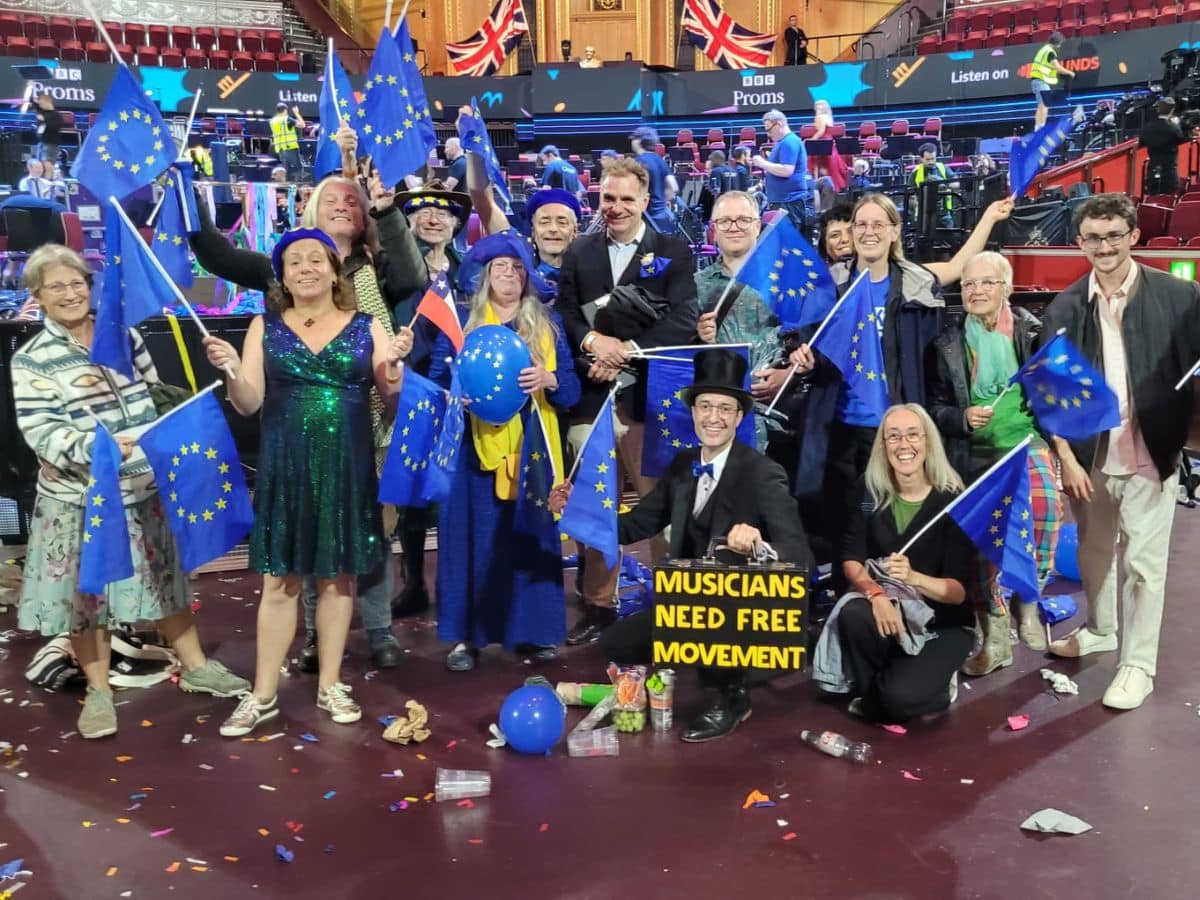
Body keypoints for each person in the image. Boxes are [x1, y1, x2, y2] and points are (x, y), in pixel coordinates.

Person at [189, 139, 428, 667]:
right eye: (332, 200)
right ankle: (322, 638)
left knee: (373, 528)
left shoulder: (379, 266)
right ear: (308, 213)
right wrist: (186, 191)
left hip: (375, 418)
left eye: (353, 202)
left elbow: (416, 277)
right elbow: (217, 255)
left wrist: (386, 209)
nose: (344, 206)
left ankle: (380, 629)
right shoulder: (285, 271)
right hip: (301, 432)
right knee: (318, 535)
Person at [11, 245, 250, 739]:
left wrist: (175, 416)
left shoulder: (124, 335)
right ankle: (99, 691)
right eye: (56, 286)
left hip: (143, 486)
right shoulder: (31, 360)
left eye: (77, 283)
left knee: (168, 581)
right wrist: (100, 448)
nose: (71, 293)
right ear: (37, 296)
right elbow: (43, 433)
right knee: (87, 597)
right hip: (82, 499)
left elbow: (152, 392)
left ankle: (197, 666)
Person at [203, 229, 413, 737]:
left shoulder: (368, 326)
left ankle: (330, 684)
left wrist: (396, 371)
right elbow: (249, 404)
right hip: (287, 468)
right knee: (280, 582)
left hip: (346, 465)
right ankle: (262, 695)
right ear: (283, 276)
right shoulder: (263, 326)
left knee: (338, 578)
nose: (305, 268)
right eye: (293, 261)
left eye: (315, 259)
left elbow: (392, 402)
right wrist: (233, 370)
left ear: (333, 270)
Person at [551, 348, 812, 741]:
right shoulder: (682, 464)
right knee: (617, 644)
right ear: (693, 412)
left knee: (713, 653)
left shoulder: (762, 472)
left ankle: (732, 696)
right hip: (688, 602)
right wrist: (578, 511)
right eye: (705, 406)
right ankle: (693, 655)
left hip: (740, 611)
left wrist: (759, 545)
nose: (713, 417)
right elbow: (639, 523)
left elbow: (798, 553)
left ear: (739, 417)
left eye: (725, 409)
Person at [1040, 193, 1200, 710]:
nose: (1104, 246)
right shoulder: (1064, 307)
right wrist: (1065, 457)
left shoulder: (1182, 296)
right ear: (1079, 242)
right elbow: (1050, 395)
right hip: (1090, 457)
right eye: (1093, 237)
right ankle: (1102, 629)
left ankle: (1138, 666)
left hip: (1155, 449)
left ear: (1133, 235)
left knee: (1146, 566)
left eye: (1113, 235)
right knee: (1093, 554)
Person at [417, 233, 581, 670]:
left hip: (533, 447)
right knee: (469, 540)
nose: (509, 274)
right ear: (485, 275)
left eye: (517, 267)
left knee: (529, 538)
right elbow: (434, 382)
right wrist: (455, 396)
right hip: (470, 448)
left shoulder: (548, 325)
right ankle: (467, 636)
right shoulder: (461, 325)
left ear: (527, 276)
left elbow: (570, 392)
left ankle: (534, 632)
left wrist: (549, 380)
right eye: (499, 267)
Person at [556, 157, 699, 644]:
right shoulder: (579, 252)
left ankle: (675, 603)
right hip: (592, 395)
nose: (615, 207)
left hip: (649, 400)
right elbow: (568, 316)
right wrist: (595, 347)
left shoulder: (674, 251)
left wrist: (627, 353)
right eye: (607, 198)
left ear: (645, 202)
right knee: (597, 506)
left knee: (660, 505)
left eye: (626, 199)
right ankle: (599, 605)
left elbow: (683, 319)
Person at [787, 194, 945, 569]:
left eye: (878, 225)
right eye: (861, 225)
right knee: (845, 524)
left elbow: (932, 363)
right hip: (840, 426)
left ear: (894, 232)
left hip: (896, 428)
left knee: (892, 524)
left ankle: (896, 604)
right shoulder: (830, 285)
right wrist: (802, 355)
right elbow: (806, 340)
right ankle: (849, 601)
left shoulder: (919, 287)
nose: (868, 232)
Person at [927, 251, 1062, 674]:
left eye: (986, 283)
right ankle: (997, 636)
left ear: (1006, 288)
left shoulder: (1032, 332)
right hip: (973, 454)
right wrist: (962, 417)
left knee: (1044, 512)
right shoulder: (946, 343)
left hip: (1026, 444)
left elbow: (1054, 397)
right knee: (983, 550)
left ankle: (1029, 599)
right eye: (968, 284)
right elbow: (936, 407)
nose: (976, 291)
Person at [826, 404, 974, 724]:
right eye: (893, 437)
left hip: (942, 623)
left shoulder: (953, 501)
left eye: (912, 435)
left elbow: (958, 593)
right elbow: (851, 557)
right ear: (882, 446)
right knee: (853, 612)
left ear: (928, 443)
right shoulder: (868, 492)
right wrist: (874, 594)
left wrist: (914, 577)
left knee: (896, 703)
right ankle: (887, 685)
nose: (903, 445)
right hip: (892, 611)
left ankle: (923, 687)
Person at [695, 191, 787, 452]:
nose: (734, 227)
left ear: (757, 226)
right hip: (720, 415)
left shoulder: (785, 279)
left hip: (778, 409)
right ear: (713, 230)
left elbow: (806, 338)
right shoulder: (697, 285)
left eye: (743, 220)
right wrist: (699, 338)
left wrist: (787, 374)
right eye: (725, 221)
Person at [753, 110, 810, 236]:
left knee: (789, 244)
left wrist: (762, 163)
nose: (768, 134)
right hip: (784, 202)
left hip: (789, 203)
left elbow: (786, 170)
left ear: (779, 124)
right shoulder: (783, 142)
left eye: (769, 129)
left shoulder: (789, 142)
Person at [1139, 97, 1194, 195]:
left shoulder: (1147, 128)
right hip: (1169, 173)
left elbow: (1142, 142)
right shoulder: (1173, 128)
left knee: (1152, 202)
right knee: (1168, 201)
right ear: (1172, 110)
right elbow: (1182, 139)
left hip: (1152, 171)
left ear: (1158, 110)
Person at [630, 126, 678, 234]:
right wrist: (661, 202)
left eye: (633, 139)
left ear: (639, 141)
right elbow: (673, 187)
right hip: (662, 216)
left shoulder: (638, 162)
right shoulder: (660, 160)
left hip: (646, 219)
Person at [1029, 31, 1074, 130]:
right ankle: (1041, 128)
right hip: (1041, 80)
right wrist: (1070, 73)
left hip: (1036, 80)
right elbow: (1058, 67)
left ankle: (1037, 127)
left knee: (1041, 104)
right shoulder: (1050, 52)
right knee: (1045, 104)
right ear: (1057, 42)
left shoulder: (1043, 50)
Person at [911, 144, 954, 230]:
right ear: (921, 158)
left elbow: (957, 184)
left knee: (950, 238)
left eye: (933, 159)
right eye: (927, 159)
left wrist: (942, 183)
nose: (930, 162)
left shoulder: (943, 168)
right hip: (924, 214)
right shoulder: (915, 172)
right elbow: (910, 195)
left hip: (944, 214)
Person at [809, 100, 849, 192]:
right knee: (831, 165)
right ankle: (833, 186)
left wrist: (811, 140)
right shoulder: (829, 117)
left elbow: (821, 131)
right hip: (829, 141)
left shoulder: (819, 117)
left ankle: (815, 185)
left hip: (821, 142)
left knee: (814, 162)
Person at [271, 102, 307, 181]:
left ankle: (284, 188)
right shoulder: (286, 119)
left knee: (285, 171)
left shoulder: (273, 121)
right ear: (285, 110)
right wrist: (297, 113)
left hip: (280, 149)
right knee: (299, 169)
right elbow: (302, 125)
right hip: (290, 147)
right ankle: (298, 187)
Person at [33, 93, 63, 167]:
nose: (40, 105)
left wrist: (44, 121)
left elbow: (54, 127)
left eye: (42, 103)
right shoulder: (42, 112)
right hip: (42, 143)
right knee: (40, 165)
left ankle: (48, 178)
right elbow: (34, 103)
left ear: (47, 101)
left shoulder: (56, 115)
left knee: (47, 164)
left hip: (51, 143)